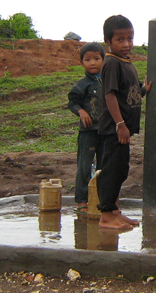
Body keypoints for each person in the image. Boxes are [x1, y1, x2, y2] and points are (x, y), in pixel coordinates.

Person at [97, 15, 151, 229]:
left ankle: (114, 212)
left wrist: (144, 89)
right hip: (115, 129)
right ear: (107, 41)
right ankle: (106, 216)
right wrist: (120, 124)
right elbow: (110, 95)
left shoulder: (126, 63)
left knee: (120, 170)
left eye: (130, 38)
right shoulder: (111, 63)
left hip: (124, 130)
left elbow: (128, 93)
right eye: (120, 39)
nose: (127, 44)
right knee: (111, 170)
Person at [67, 42, 106, 213]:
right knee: (84, 165)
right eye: (87, 59)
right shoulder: (82, 84)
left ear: (103, 60)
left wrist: (143, 89)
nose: (92, 63)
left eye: (96, 59)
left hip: (106, 131)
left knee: (104, 167)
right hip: (88, 132)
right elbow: (72, 102)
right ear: (81, 62)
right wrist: (81, 111)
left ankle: (101, 198)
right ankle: (82, 201)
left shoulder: (109, 80)